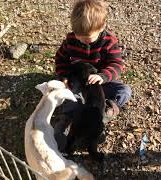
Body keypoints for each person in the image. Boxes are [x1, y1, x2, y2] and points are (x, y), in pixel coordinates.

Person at [53, 0, 132, 150]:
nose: (83, 41)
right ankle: (68, 120)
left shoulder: (109, 42)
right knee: (72, 97)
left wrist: (103, 76)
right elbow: (60, 59)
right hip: (78, 82)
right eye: (79, 37)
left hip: (100, 83)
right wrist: (64, 77)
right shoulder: (71, 40)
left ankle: (107, 111)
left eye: (87, 38)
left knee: (124, 91)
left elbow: (116, 65)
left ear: (101, 28)